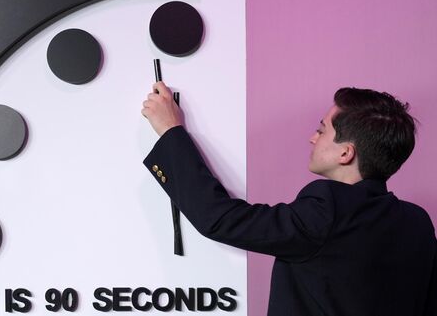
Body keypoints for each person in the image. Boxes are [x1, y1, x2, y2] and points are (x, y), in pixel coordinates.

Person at [141, 82, 437, 316]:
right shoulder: (418, 223)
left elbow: (222, 219)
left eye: (321, 130)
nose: (312, 138)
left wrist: (170, 131)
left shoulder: (328, 208)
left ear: (346, 153)